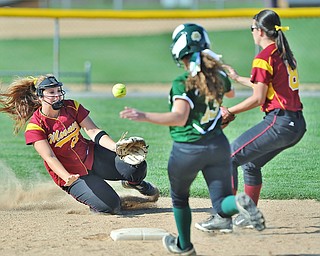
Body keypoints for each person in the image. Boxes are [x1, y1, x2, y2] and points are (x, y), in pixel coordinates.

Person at [120, 23, 265, 255]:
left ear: (178, 51)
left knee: (179, 198)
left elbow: (179, 117)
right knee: (221, 203)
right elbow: (231, 93)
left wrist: (143, 115)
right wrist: (216, 67)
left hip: (187, 150)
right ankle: (239, 203)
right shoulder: (217, 77)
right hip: (218, 146)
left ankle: (184, 246)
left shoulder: (182, 82)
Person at [0, 74, 159, 214]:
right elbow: (49, 157)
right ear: (39, 96)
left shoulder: (71, 106)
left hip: (93, 157)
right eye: (51, 93)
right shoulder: (35, 126)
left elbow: (93, 131)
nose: (57, 96)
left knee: (136, 164)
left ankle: (133, 182)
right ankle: (97, 199)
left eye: (58, 91)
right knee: (111, 207)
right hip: (74, 176)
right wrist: (66, 177)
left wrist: (116, 148)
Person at [222, 9, 306, 227]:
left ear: (259, 31)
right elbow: (267, 86)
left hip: (279, 122)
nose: (251, 32)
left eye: (252, 28)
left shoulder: (263, 58)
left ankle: (223, 217)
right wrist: (237, 78)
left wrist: (230, 111)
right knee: (250, 164)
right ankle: (250, 216)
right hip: (296, 124)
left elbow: (259, 98)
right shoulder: (283, 54)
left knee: (229, 157)